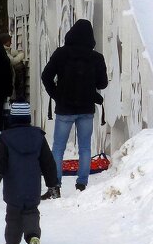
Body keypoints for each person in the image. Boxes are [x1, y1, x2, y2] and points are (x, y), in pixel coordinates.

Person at [40, 19, 109, 194]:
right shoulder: (96, 57)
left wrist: (57, 95)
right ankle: (82, 185)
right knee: (85, 147)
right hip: (86, 109)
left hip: (65, 108)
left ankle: (54, 186)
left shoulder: (61, 54)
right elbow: (102, 84)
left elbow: (46, 76)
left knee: (58, 147)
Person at [0, 99, 60, 244]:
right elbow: (48, 163)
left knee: (13, 214)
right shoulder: (38, 137)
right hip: (32, 185)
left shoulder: (6, 139)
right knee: (31, 211)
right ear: (28, 118)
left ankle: (12, 242)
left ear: (11, 118)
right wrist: (53, 184)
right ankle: (33, 236)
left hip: (13, 186)